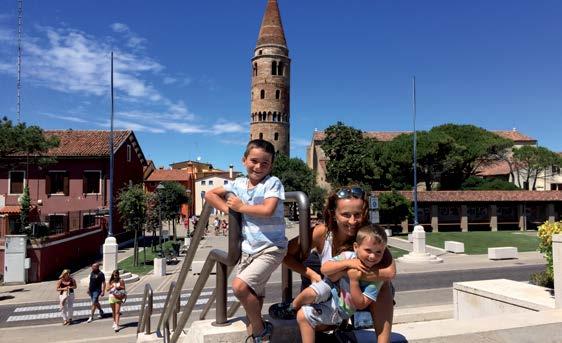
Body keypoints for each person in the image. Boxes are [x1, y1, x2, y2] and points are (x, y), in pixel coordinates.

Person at [281, 186, 396, 343]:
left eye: (357, 215)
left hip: (360, 297)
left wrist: (351, 274)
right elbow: (285, 255)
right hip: (333, 298)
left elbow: (390, 272)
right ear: (333, 214)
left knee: (384, 285)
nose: (352, 221)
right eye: (346, 215)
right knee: (308, 317)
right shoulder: (322, 232)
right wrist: (311, 274)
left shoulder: (369, 236)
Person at [205, 139, 287, 343]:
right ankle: (257, 330)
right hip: (248, 248)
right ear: (244, 160)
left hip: (271, 247)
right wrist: (232, 213)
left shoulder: (272, 182)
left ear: (271, 165)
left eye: (265, 163)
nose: (258, 167)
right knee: (254, 293)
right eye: (254, 161)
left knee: (240, 287)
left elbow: (268, 209)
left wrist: (240, 208)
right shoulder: (238, 183)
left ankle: (260, 329)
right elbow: (210, 194)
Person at [294, 224, 388, 343]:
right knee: (309, 292)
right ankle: (291, 308)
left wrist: (354, 281)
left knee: (303, 315)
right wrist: (347, 264)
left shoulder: (376, 277)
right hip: (330, 288)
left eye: (378, 252)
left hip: (340, 307)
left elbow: (361, 304)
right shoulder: (349, 256)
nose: (372, 256)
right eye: (368, 250)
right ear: (356, 247)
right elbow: (325, 269)